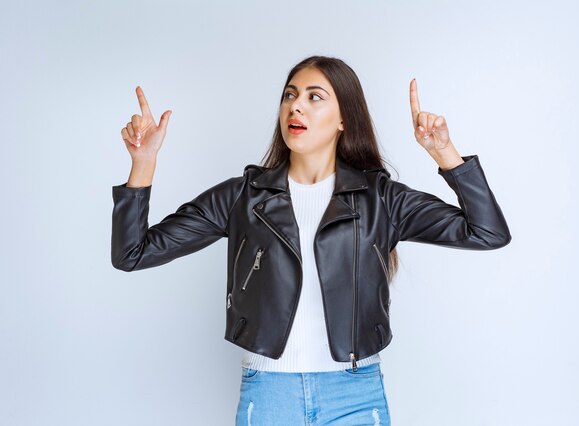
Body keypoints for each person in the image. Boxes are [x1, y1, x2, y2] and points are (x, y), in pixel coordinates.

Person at [111, 55, 511, 425]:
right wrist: (143, 164)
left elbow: (487, 233)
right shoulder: (242, 196)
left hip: (354, 393)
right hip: (269, 394)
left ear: (343, 120)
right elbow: (132, 253)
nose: (295, 106)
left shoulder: (381, 199)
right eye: (290, 95)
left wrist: (445, 155)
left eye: (314, 97)